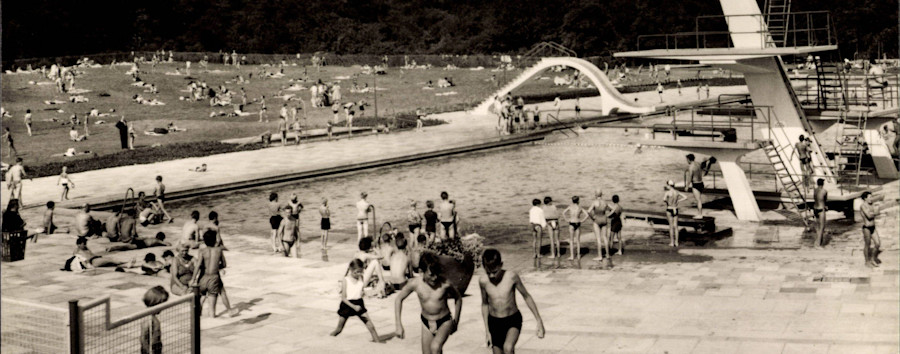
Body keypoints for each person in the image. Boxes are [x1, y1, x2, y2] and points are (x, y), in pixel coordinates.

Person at [394, 252, 463, 354]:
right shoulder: (415, 284)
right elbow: (398, 299)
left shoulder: (445, 284)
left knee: (435, 347)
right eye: (431, 274)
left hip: (444, 321)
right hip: (426, 322)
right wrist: (398, 325)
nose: (435, 278)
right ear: (422, 271)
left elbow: (458, 298)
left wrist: (456, 321)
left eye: (437, 274)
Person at [479, 249, 545, 353]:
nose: (492, 276)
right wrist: (487, 331)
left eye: (495, 272)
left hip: (512, 319)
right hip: (494, 322)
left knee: (508, 348)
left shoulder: (511, 277)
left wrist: (539, 320)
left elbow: (526, 296)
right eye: (488, 273)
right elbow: (485, 304)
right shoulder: (483, 281)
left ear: (501, 265)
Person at [330, 259, 385, 342]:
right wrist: (354, 307)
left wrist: (368, 293)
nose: (359, 274)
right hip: (347, 305)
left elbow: (361, 291)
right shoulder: (346, 280)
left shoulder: (361, 278)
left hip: (359, 303)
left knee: (371, 326)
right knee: (339, 329)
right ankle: (329, 338)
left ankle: (378, 343)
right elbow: (343, 298)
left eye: (360, 272)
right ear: (351, 270)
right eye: (356, 272)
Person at [190, 230, 236, 318]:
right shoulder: (219, 250)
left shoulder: (202, 251)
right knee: (219, 295)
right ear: (215, 240)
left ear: (204, 240)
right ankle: (225, 312)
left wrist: (193, 278)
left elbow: (198, 265)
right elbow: (224, 264)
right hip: (214, 277)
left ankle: (197, 314)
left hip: (203, 276)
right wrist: (217, 267)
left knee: (202, 295)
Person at [141, 286, 168, 354]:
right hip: (151, 350)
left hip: (156, 348)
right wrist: (149, 351)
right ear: (155, 304)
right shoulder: (149, 319)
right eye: (161, 305)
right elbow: (143, 338)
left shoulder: (153, 318)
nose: (163, 308)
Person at [587, 190, 611, 262]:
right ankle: (607, 255)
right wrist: (608, 215)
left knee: (598, 238)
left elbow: (588, 211)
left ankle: (600, 256)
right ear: (601, 194)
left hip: (597, 219)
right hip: (604, 219)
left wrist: (592, 217)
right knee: (605, 237)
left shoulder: (594, 202)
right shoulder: (605, 202)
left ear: (595, 195)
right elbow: (612, 209)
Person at [562, 196, 588, 260]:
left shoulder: (570, 207)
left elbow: (563, 213)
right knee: (578, 240)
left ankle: (572, 256)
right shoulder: (580, 207)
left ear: (572, 201)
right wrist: (582, 220)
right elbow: (587, 215)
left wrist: (566, 219)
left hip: (571, 223)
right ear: (578, 201)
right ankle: (578, 255)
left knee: (571, 240)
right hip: (578, 223)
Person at [860, 191, 881, 268]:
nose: (871, 199)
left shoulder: (871, 205)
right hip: (866, 228)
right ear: (865, 198)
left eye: (872, 197)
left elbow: (877, 212)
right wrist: (875, 212)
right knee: (867, 245)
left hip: (873, 227)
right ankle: (867, 261)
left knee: (878, 243)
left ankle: (872, 259)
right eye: (870, 197)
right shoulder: (863, 206)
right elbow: (869, 216)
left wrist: (874, 212)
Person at [663, 180, 687, 247]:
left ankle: (672, 242)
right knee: (676, 226)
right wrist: (679, 200)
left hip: (669, 209)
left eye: (667, 185)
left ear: (669, 185)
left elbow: (664, 199)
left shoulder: (667, 192)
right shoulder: (677, 192)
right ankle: (676, 242)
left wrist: (667, 202)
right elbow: (685, 197)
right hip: (675, 209)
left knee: (671, 227)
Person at [683, 154, 705, 218]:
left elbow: (690, 178)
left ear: (689, 159)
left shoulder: (691, 167)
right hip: (701, 183)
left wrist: (687, 186)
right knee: (699, 199)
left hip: (695, 184)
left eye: (687, 160)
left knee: (698, 200)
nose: (687, 161)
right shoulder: (698, 164)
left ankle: (700, 214)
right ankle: (700, 214)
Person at [106, 231, 171, 252]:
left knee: (126, 246)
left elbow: (142, 237)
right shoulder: (158, 240)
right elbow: (167, 244)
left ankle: (113, 247)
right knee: (126, 247)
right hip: (142, 244)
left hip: (140, 240)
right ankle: (112, 248)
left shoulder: (152, 238)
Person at [542, 197, 560, 261]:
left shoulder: (544, 207)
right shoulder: (554, 207)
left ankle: (553, 254)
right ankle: (558, 253)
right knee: (557, 239)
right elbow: (558, 215)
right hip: (555, 222)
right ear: (550, 202)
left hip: (549, 222)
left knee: (552, 240)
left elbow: (544, 216)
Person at [813, 178, 827, 248]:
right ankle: (818, 244)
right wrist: (826, 207)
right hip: (821, 209)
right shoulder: (824, 191)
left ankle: (817, 242)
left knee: (818, 227)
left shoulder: (815, 190)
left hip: (815, 208)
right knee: (822, 227)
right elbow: (824, 200)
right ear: (823, 184)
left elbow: (815, 198)